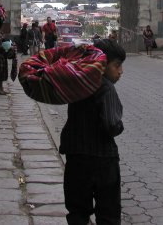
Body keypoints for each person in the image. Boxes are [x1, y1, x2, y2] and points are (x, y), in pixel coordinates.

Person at [59, 39, 126, 225]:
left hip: (76, 157)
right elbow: (112, 125)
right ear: (102, 65)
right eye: (117, 66)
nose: (121, 71)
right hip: (103, 161)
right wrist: (120, 125)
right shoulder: (106, 88)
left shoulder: (79, 85)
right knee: (108, 215)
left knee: (77, 212)